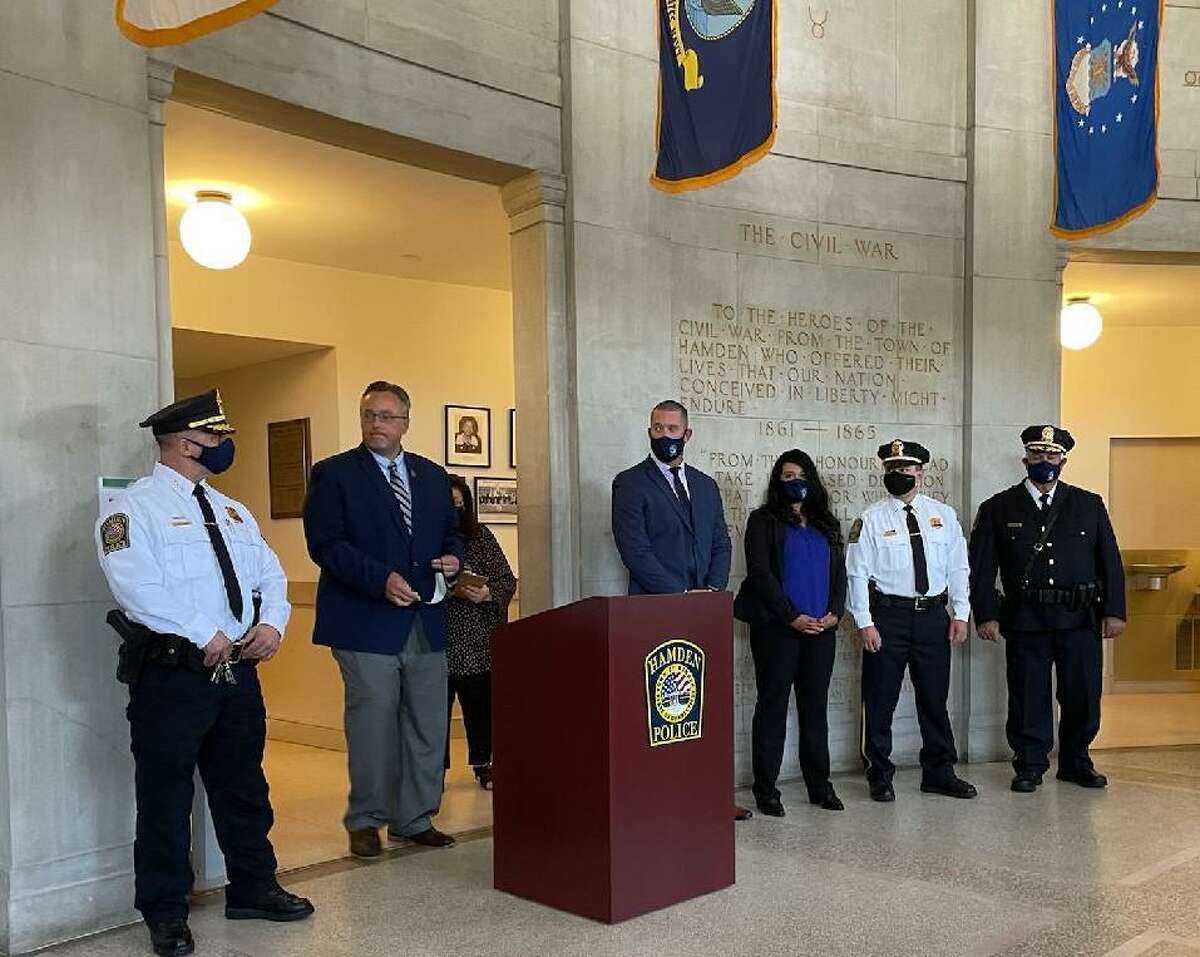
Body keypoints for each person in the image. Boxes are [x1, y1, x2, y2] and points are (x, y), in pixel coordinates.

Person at [95, 389, 313, 957]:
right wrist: (202, 632)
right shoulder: (131, 508)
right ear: (188, 442)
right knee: (166, 797)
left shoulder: (233, 510)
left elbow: (271, 573)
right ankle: (166, 912)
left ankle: (254, 887)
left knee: (243, 786)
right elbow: (135, 584)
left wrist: (273, 625)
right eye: (217, 438)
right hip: (174, 675)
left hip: (238, 672)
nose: (224, 446)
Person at [303, 381, 464, 858]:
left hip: (426, 620)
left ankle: (413, 819)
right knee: (373, 724)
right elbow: (326, 545)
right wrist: (381, 580)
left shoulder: (432, 476)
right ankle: (366, 820)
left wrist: (453, 561)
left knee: (428, 723)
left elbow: (453, 535)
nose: (376, 423)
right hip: (364, 621)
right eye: (369, 414)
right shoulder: (334, 475)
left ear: (405, 423)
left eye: (387, 416)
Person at [611, 400, 752, 820]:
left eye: (673, 429)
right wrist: (680, 596)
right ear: (649, 432)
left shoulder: (707, 485)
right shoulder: (630, 484)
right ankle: (657, 800)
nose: (665, 435)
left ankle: (708, 796)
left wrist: (711, 589)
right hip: (656, 611)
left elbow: (721, 541)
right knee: (661, 711)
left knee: (705, 710)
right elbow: (635, 550)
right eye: (658, 428)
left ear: (687, 434)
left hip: (703, 615)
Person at [968, 425, 1126, 793]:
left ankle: (1076, 761)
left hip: (1079, 618)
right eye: (1037, 455)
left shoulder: (1088, 504)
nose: (1044, 461)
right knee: (1027, 695)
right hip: (1026, 619)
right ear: (1026, 459)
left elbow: (1109, 561)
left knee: (1082, 694)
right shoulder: (998, 507)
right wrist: (986, 614)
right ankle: (1030, 764)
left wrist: (1115, 611)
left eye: (1051, 455)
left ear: (1063, 460)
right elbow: (981, 567)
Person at [846, 439, 976, 803]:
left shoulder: (944, 516)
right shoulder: (871, 519)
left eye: (905, 469)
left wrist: (961, 613)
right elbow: (856, 574)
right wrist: (864, 622)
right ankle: (880, 773)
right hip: (889, 617)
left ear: (920, 472)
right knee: (880, 698)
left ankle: (939, 771)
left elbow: (958, 568)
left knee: (934, 698)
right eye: (891, 470)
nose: (898, 476)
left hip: (933, 616)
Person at [734, 450, 846, 816]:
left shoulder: (826, 523)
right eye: (786, 475)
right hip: (779, 631)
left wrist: (835, 613)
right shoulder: (762, 520)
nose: (793, 481)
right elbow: (761, 575)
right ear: (777, 481)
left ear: (811, 478)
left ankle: (820, 786)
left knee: (815, 710)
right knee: (772, 706)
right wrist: (791, 616)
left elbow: (839, 575)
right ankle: (766, 790)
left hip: (821, 631)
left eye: (799, 474)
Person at [445, 474, 518, 789]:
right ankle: (433, 771)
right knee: (432, 714)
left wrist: (487, 593)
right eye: (450, 506)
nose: (456, 512)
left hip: (478, 641)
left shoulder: (481, 537)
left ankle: (484, 764)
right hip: (438, 641)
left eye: (461, 505)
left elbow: (506, 579)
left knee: (480, 709)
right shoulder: (425, 540)